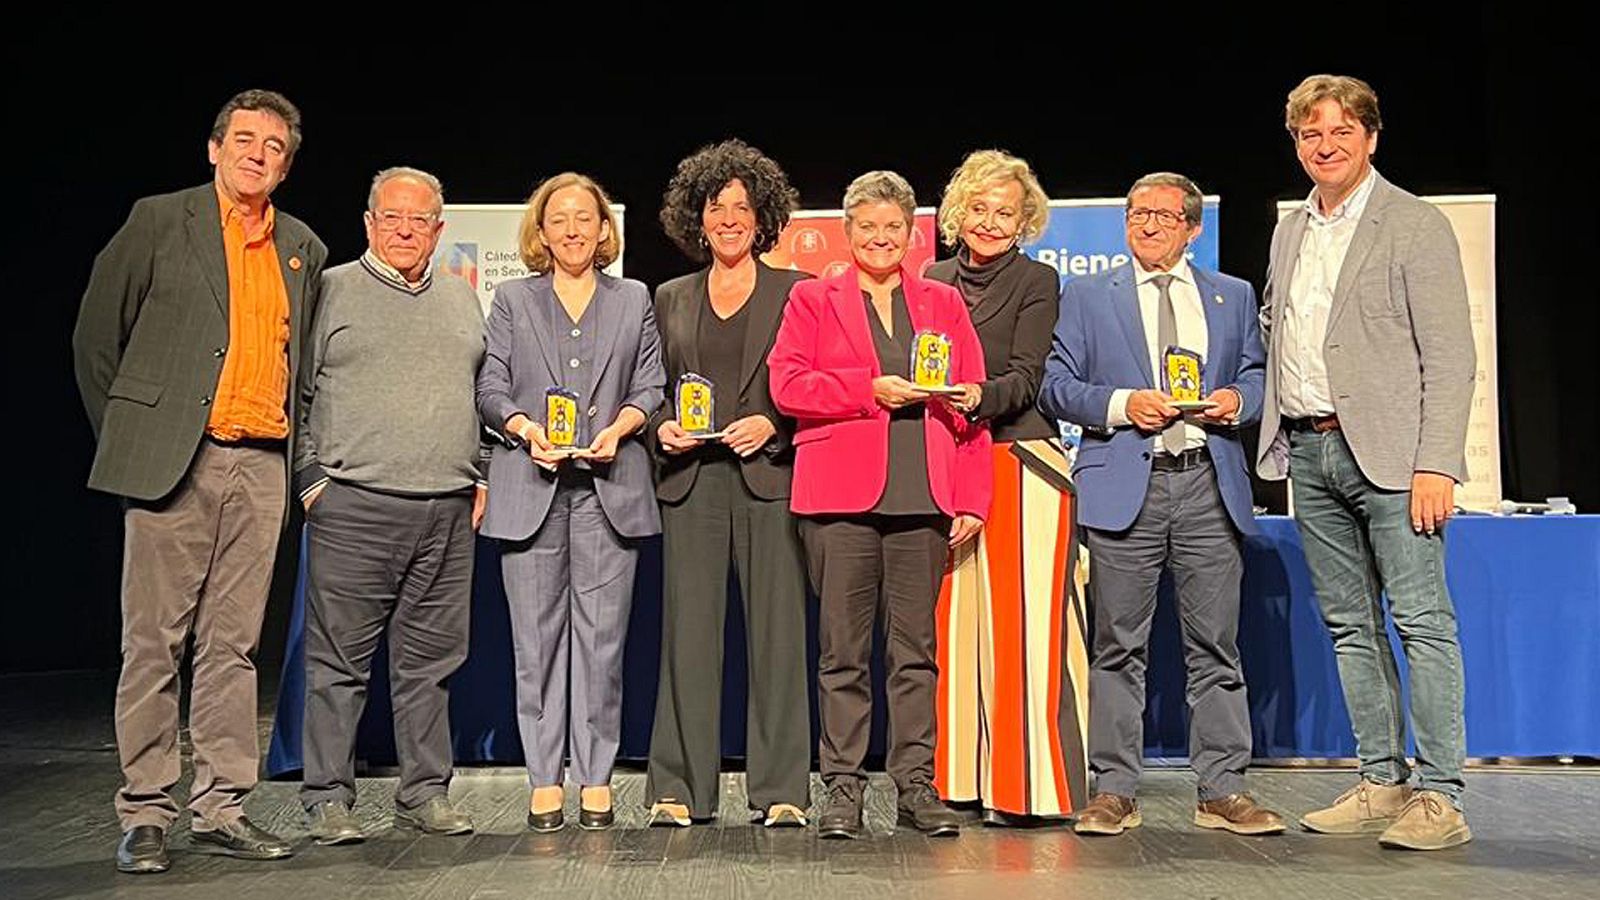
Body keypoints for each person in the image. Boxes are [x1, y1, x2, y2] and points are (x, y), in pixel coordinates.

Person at [72, 89, 326, 874]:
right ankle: (145, 811)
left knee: (234, 646)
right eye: (244, 139)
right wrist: (137, 437)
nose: (257, 152)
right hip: (174, 462)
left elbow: (304, 366)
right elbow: (95, 338)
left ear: (286, 167)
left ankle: (221, 808)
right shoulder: (160, 219)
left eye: (273, 145)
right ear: (214, 149)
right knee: (153, 643)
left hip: (261, 463)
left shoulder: (302, 246)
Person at [1257, 75, 1476, 851]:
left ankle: (1442, 797)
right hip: (1312, 450)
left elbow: (1450, 356)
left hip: (1392, 455)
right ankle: (1383, 781)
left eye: (1340, 131)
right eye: (1310, 134)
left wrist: (1436, 462)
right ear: (1296, 144)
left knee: (1421, 622)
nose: (1325, 145)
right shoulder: (1292, 230)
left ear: (1370, 138)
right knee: (1351, 625)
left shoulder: (1411, 223)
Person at [1038, 172, 1282, 836]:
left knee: (1215, 645)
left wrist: (1238, 401)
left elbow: (1261, 376)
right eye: (1137, 214)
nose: (1147, 225)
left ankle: (1223, 790)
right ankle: (1114, 787)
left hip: (1208, 478)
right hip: (1125, 483)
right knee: (1118, 644)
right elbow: (1056, 387)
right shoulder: (1087, 295)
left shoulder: (1231, 296)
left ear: (1193, 229)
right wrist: (1122, 406)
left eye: (1163, 216)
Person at [768, 170, 992, 839]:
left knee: (915, 653)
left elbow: (972, 400)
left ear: (913, 233)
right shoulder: (813, 299)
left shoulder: (942, 302)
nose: (880, 238)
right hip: (840, 498)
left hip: (922, 496)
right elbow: (788, 385)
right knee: (842, 652)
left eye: (893, 227)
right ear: (848, 230)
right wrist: (872, 389)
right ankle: (842, 787)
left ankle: (915, 787)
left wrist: (972, 496)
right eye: (867, 226)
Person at [295, 167, 485, 845]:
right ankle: (326, 798)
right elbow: (297, 398)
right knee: (338, 665)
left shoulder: (462, 300)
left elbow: (480, 393)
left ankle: (424, 793)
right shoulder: (333, 289)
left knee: (430, 666)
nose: (406, 230)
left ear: (439, 229)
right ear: (370, 223)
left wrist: (480, 471)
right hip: (356, 505)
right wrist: (313, 481)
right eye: (393, 218)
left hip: (445, 510)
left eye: (421, 220)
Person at [476, 172, 665, 832]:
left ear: (604, 229)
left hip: (609, 493)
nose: (574, 229)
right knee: (536, 645)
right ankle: (543, 779)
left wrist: (623, 427)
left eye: (586, 217)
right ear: (541, 231)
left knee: (602, 647)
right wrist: (525, 430)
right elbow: (491, 387)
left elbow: (651, 383)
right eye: (560, 219)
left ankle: (594, 778)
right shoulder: (511, 299)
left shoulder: (633, 297)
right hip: (532, 490)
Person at [644, 140, 813, 828]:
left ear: (763, 216)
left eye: (743, 208)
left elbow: (810, 381)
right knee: (688, 636)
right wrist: (661, 428)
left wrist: (773, 422)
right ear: (697, 217)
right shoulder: (669, 296)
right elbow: (650, 389)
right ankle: (680, 789)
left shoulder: (798, 290)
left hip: (769, 479)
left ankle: (781, 792)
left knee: (778, 636)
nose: (730, 219)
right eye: (717, 207)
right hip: (692, 484)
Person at [923, 149, 1088, 824]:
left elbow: (1027, 375)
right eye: (980, 209)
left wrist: (972, 396)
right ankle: (955, 782)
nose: (991, 222)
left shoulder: (1037, 280)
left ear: (1026, 222)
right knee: (950, 629)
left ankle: (1025, 790)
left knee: (1023, 630)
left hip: (1020, 458)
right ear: (958, 213)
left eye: (1007, 212)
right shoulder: (929, 278)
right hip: (942, 461)